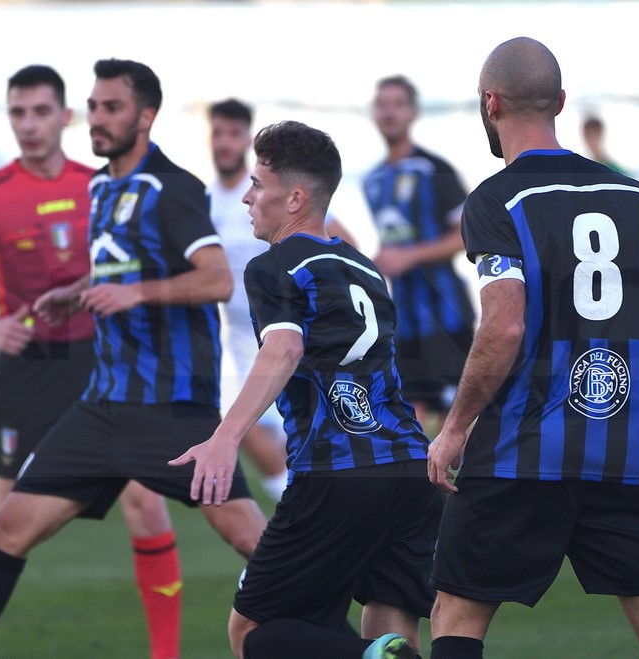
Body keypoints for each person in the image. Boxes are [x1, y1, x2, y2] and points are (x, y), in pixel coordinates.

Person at [0, 59, 268, 659]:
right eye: (94, 107)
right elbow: (125, 262)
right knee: (6, 529)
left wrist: (136, 293)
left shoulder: (171, 187)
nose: (97, 119)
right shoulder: (103, 186)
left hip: (170, 411)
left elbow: (214, 278)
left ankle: (358, 638)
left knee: (252, 540)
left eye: (112, 108)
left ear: (146, 116)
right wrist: (79, 289)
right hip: (101, 410)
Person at [425, 37, 639, 659]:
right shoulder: (636, 197)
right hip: (621, 454)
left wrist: (456, 427)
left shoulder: (496, 199)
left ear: (490, 103)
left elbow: (503, 326)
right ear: (561, 102)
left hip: (520, 453)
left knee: (455, 617)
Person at [170, 120, 444, 659]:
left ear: (294, 198)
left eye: (257, 185)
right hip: (408, 468)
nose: (247, 197)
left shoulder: (274, 265)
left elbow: (284, 348)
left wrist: (225, 437)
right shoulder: (366, 269)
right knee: (388, 624)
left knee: (253, 632)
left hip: (336, 472)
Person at [363, 75, 476, 433]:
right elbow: (392, 242)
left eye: (398, 104)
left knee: (456, 424)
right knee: (408, 422)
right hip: (402, 321)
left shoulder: (433, 169)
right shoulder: (372, 180)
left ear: (414, 113)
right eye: (382, 104)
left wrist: (410, 256)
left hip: (445, 315)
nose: (389, 112)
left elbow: (467, 235)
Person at [206, 98, 291, 502]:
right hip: (236, 342)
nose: (224, 142)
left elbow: (335, 237)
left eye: (233, 133)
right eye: (217, 133)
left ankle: (302, 512)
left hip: (284, 333)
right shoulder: (203, 200)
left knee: (296, 436)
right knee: (245, 427)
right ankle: (297, 509)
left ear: (246, 140)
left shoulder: (263, 193)